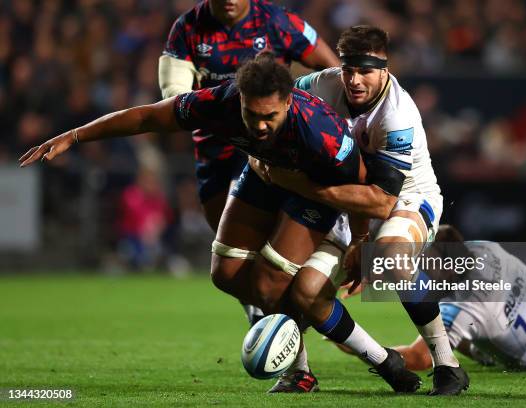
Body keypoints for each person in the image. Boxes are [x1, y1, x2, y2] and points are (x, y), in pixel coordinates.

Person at [20, 53, 421, 395]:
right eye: (252, 114)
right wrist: (74, 136)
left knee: (273, 284)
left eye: (270, 117)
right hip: (263, 174)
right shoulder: (219, 102)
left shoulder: (322, 132)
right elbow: (145, 117)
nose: (260, 126)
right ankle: (319, 351)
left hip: (313, 191)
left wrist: (361, 239)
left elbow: (360, 184)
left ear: (289, 102)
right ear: (240, 100)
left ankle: (355, 364)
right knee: (226, 273)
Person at [252, 26, 469, 395]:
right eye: (348, 69)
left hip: (406, 198)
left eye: (365, 71)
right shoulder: (322, 84)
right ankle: (385, 363)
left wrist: (361, 238)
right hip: (343, 201)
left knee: (389, 258)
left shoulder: (397, 116)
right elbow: (277, 107)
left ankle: (448, 365)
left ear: (385, 69)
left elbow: (381, 200)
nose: (354, 80)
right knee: (304, 291)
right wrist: (258, 152)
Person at [159, 0, 339, 231]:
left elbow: (334, 72)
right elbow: (174, 97)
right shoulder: (187, 28)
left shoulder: (277, 21)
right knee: (224, 242)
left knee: (241, 232)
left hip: (266, 142)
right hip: (213, 146)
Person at [392, 225, 526, 371]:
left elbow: (420, 358)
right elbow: (447, 238)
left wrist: (366, 350)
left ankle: (484, 353)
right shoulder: (484, 248)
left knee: (445, 332)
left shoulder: (463, 306)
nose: (420, 271)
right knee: (468, 326)